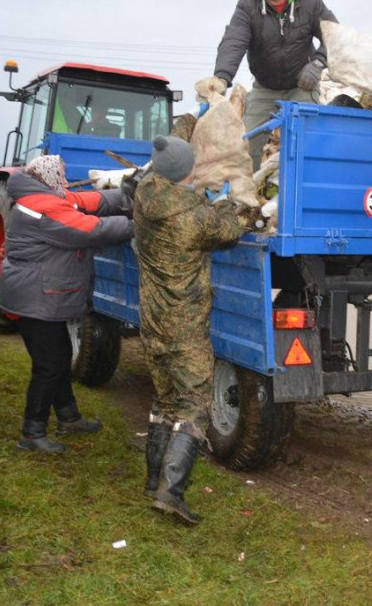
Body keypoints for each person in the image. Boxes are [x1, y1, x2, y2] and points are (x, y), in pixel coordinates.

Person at [133, 135, 243, 525]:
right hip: (184, 326)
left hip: (154, 323)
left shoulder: (146, 197)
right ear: (186, 171)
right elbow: (229, 229)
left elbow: (169, 186)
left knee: (164, 403)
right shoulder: (191, 218)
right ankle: (171, 492)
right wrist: (231, 202)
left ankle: (152, 480)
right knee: (194, 406)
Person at [0, 155, 134, 453]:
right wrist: (137, 223)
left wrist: (127, 194)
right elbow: (92, 229)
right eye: (60, 174)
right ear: (47, 177)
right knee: (51, 364)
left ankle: (68, 417)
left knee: (57, 358)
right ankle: (32, 434)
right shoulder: (43, 209)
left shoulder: (44, 196)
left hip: (39, 297)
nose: (64, 178)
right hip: (35, 299)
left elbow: (90, 200)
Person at [211, 0, 338, 168]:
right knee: (246, 144)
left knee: (303, 143)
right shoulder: (247, 5)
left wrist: (318, 63)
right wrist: (221, 77)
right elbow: (234, 40)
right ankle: (246, 198)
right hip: (265, 87)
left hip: (302, 85)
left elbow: (335, 35)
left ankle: (301, 193)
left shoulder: (309, 3)